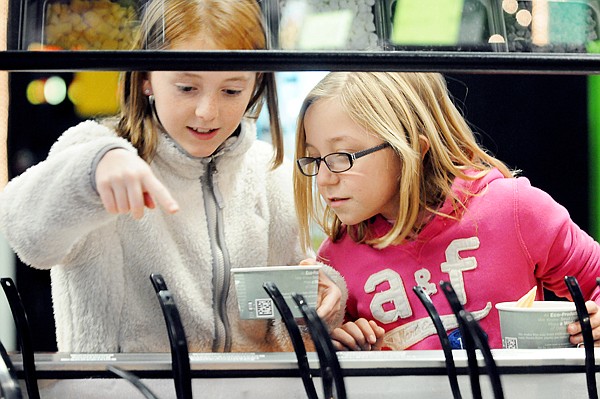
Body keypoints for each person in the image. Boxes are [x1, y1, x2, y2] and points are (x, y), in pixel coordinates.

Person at [0, 0, 345, 353]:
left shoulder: (270, 172)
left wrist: (318, 305)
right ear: (146, 78)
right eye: (186, 88)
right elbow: (25, 234)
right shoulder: (97, 152)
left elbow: (284, 328)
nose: (207, 112)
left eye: (231, 90)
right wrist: (90, 173)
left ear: (257, 84)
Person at [293, 71, 600, 351]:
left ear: (412, 148)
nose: (323, 179)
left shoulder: (516, 208)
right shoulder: (335, 260)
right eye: (313, 159)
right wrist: (341, 338)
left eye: (342, 156)